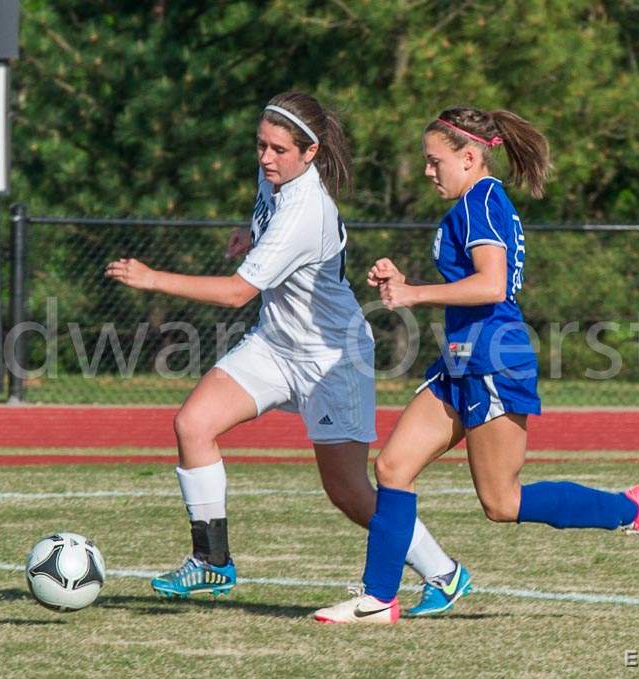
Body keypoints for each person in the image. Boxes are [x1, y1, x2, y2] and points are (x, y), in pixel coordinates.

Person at [106, 92, 472, 616]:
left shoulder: (307, 207)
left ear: (310, 153)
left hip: (331, 358)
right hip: (276, 342)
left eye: (278, 149)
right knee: (193, 424)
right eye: (260, 145)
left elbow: (237, 294)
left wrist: (152, 278)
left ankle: (444, 572)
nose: (265, 158)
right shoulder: (276, 180)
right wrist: (248, 238)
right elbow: (267, 235)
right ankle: (211, 562)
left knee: (348, 492)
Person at [314, 106, 639, 624]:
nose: (427, 170)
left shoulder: (482, 199)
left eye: (434, 161)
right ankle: (378, 599)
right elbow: (473, 283)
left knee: (501, 502)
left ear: (468, 157)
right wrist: (404, 278)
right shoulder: (472, 204)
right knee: (393, 467)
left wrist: (414, 292)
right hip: (461, 360)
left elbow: (492, 285)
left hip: (494, 363)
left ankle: (632, 509)